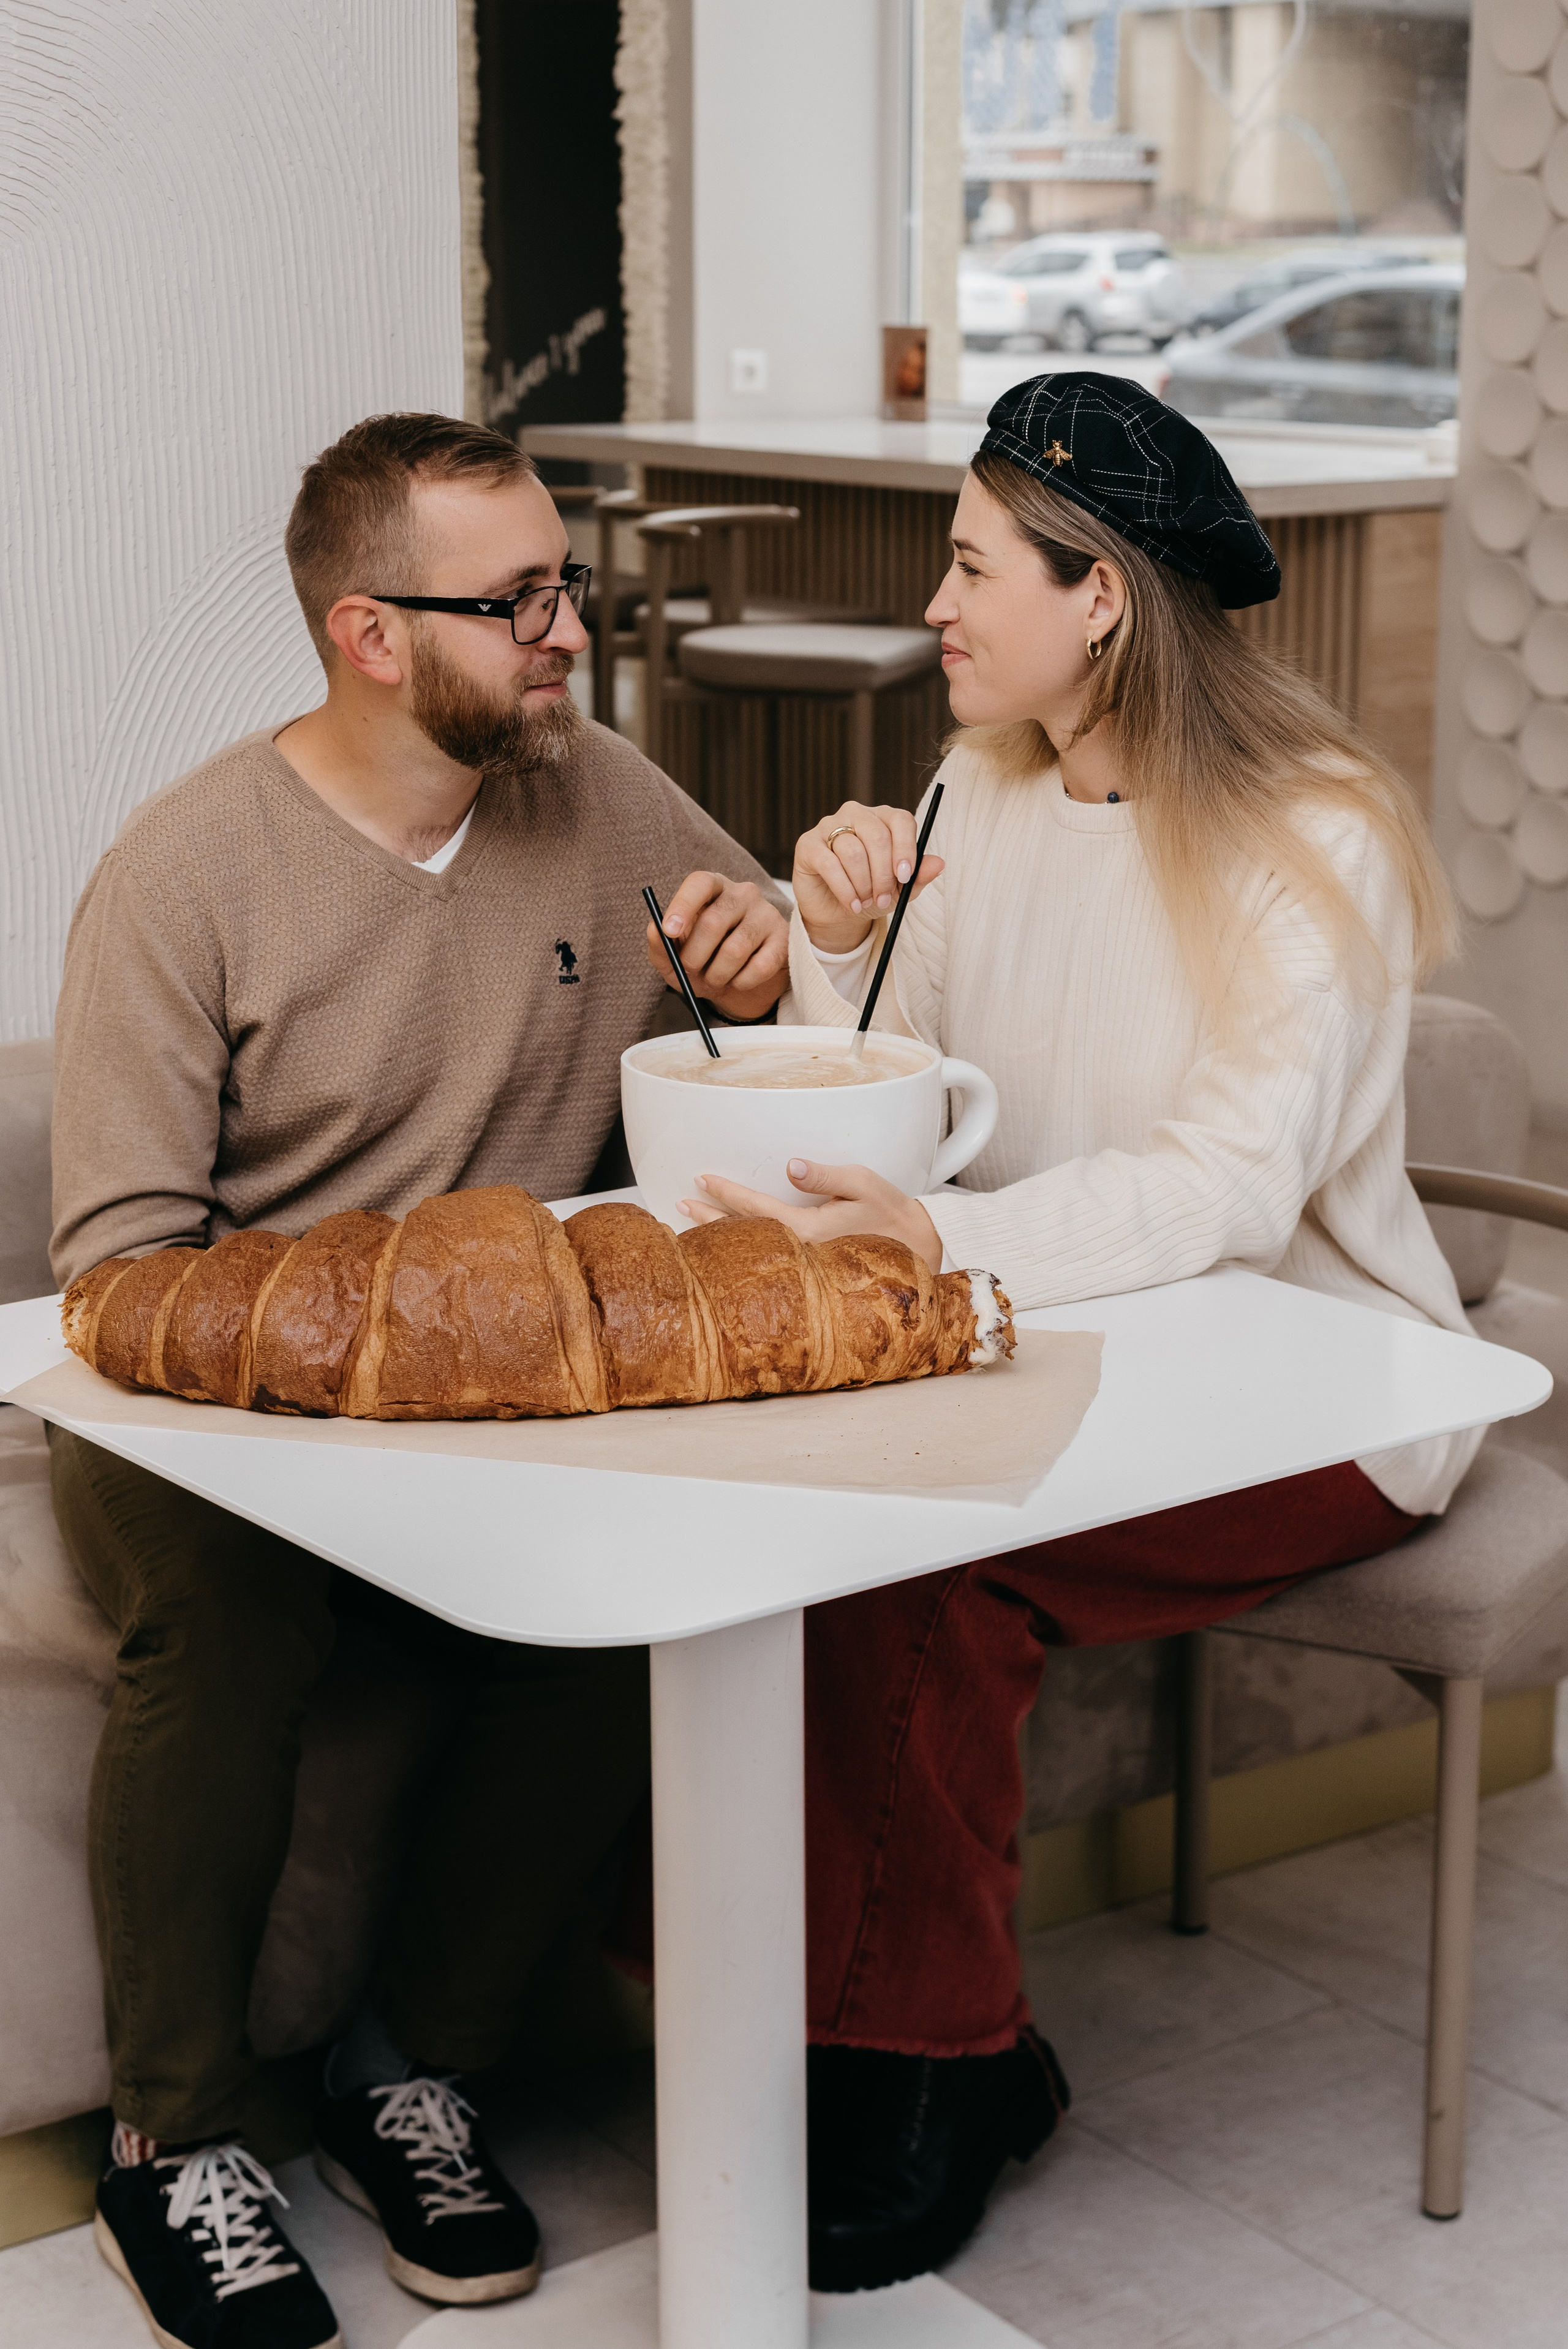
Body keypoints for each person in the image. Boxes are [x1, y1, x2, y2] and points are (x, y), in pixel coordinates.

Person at [682, 373, 1472, 2294]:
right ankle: (824, 2018)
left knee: (930, 1574)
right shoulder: (986, 791)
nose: (937, 606)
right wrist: (835, 924)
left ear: (1099, 597)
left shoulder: (1320, 830)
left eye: (971, 567)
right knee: (801, 1526)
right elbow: (899, 1080)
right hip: (1079, 1345)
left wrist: (948, 1248)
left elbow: (1225, 1190)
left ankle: (944, 2067)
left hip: (1318, 1383)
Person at [48, 412, 790, 2349]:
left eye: (567, 583)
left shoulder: (597, 788)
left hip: (496, 1399)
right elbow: (120, 1270)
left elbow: (758, 978)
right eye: (521, 598)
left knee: (652, 1584)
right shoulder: (185, 873)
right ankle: (176, 2142)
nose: (569, 629)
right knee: (221, 1617)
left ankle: (413, 2074)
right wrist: (347, 1402)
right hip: (216, 1417)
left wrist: (766, 954)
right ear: (371, 634)